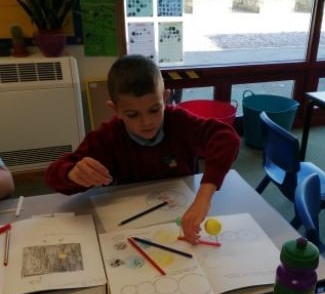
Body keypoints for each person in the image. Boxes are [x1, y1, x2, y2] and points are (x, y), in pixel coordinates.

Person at [45, 55, 240, 243]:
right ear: (115, 110)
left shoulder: (179, 122)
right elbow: (53, 175)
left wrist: (204, 197)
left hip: (178, 215)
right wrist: (72, 173)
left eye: (154, 110)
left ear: (165, 98)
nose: (147, 122)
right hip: (129, 225)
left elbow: (226, 137)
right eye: (132, 114)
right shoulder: (107, 137)